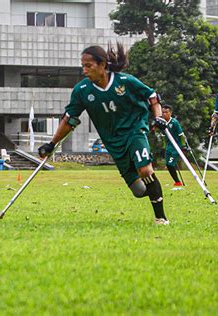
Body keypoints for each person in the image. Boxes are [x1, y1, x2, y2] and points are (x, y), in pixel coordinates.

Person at [38, 43, 170, 225]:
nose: (84, 70)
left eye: (88, 66)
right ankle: (155, 190)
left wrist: (158, 117)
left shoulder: (125, 81)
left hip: (134, 131)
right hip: (113, 143)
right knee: (139, 191)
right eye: (82, 66)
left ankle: (161, 218)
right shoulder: (82, 91)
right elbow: (69, 119)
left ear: (102, 65)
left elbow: (153, 97)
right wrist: (51, 144)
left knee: (145, 170)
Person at [161, 104, 189, 187]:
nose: (164, 114)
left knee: (170, 164)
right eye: (163, 112)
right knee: (168, 165)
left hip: (176, 147)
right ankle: (177, 182)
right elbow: (163, 136)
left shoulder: (174, 122)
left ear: (170, 113)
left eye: (166, 112)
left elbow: (181, 135)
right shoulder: (162, 123)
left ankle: (178, 182)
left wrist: (183, 145)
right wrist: (164, 146)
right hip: (168, 148)